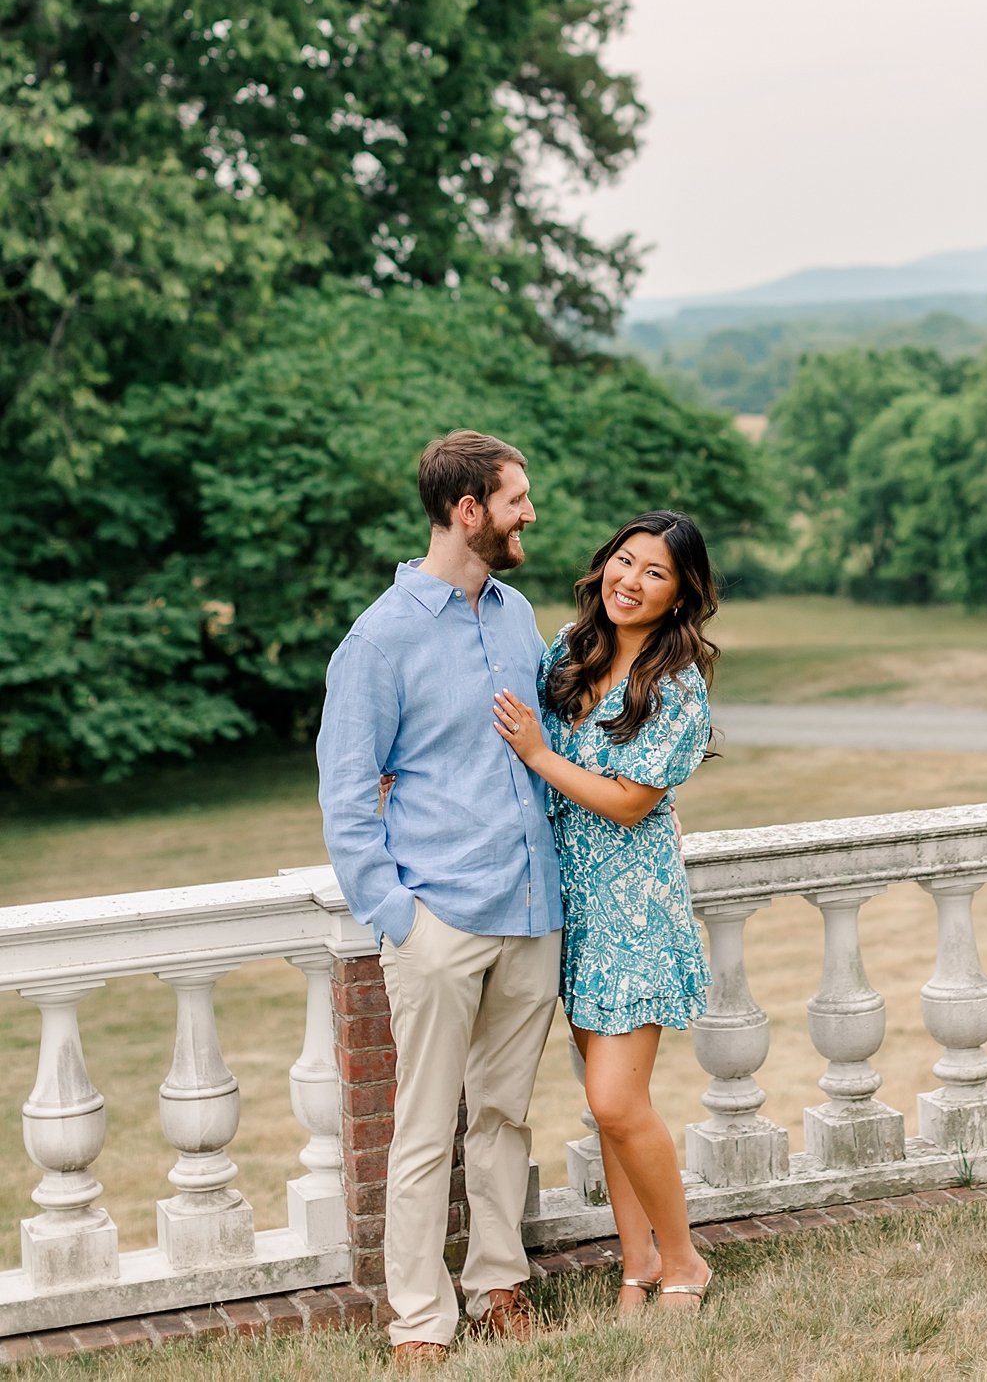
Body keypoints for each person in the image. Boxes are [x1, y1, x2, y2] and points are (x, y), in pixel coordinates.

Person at [317, 431, 562, 1362]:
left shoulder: (515, 613)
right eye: (515, 499)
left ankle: (499, 1282)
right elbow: (346, 793)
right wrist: (401, 921)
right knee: (422, 1133)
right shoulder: (379, 639)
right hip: (440, 922)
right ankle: (419, 1321)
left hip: (532, 913)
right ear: (469, 512)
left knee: (503, 1115)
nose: (528, 512)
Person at [493, 509, 717, 1316]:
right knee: (607, 1107)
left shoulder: (678, 685)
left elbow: (629, 804)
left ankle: (686, 1261)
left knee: (619, 1102)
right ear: (604, 566)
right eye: (626, 562)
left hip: (634, 906)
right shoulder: (568, 650)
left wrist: (542, 757)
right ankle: (638, 1266)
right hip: (568, 901)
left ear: (680, 594)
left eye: (656, 573)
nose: (633, 581)